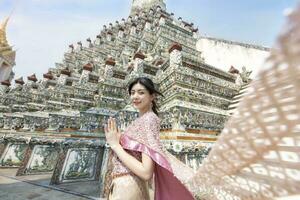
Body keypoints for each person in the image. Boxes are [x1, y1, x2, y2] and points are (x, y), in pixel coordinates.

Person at [104, 77, 195, 200]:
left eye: (141, 92)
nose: (135, 96)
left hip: (128, 187)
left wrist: (115, 145)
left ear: (152, 96)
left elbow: (146, 172)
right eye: (132, 92)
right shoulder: (141, 120)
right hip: (124, 185)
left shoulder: (148, 120)